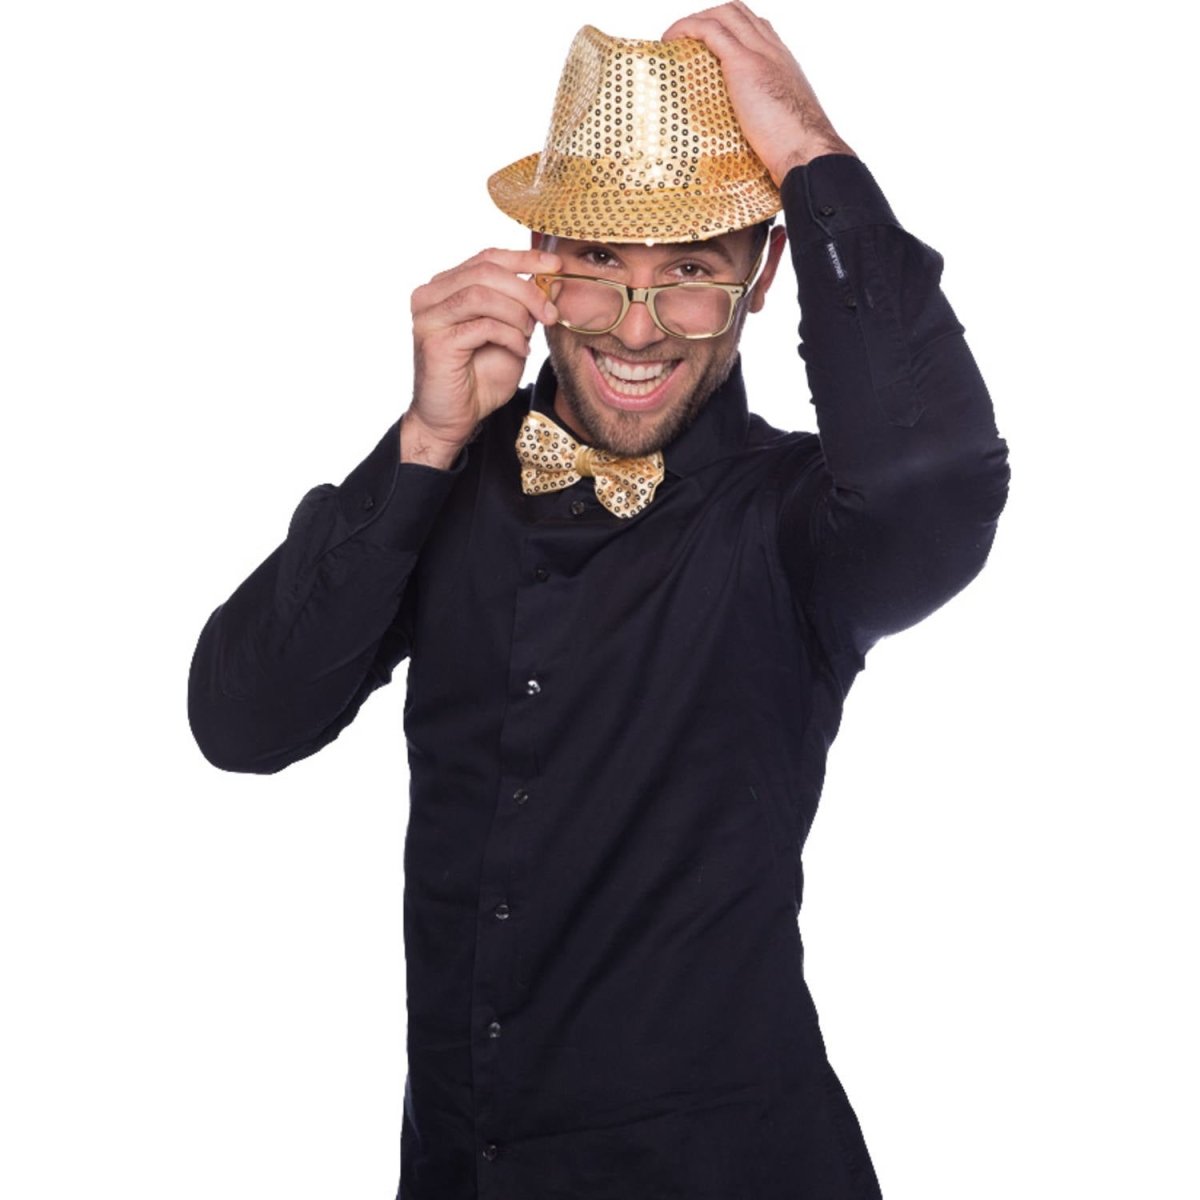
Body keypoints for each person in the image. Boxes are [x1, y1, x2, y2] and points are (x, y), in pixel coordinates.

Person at [188, 5, 1009, 1197]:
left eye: (691, 273)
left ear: (763, 274)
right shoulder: (444, 478)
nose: (636, 327)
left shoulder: (796, 524)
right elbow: (240, 720)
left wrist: (809, 152)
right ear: (536, 258)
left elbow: (938, 481)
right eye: (598, 267)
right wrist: (422, 445)